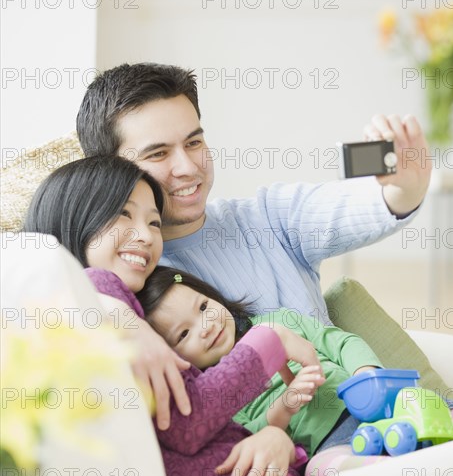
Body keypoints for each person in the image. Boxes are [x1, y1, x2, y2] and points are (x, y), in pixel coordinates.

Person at [20, 155, 453, 476]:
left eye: (153, 221)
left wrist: (278, 440)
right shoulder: (92, 295)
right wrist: (270, 343)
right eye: (123, 216)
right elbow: (188, 423)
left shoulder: (127, 310)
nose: (146, 236)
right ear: (77, 219)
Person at [75, 62, 434, 423]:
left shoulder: (268, 217)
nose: (187, 167)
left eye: (194, 142)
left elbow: (364, 207)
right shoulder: (126, 272)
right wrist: (121, 316)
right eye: (158, 154)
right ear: (110, 170)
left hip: (367, 419)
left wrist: (405, 189)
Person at [137, 265, 453, 476]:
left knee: (433, 405)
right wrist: (285, 405)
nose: (205, 326)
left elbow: (340, 342)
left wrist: (366, 372)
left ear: (212, 294)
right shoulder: (217, 390)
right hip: (333, 439)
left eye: (203, 306)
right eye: (183, 334)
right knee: (320, 471)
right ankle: (400, 470)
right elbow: (254, 430)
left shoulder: (277, 321)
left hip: (376, 397)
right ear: (171, 355)